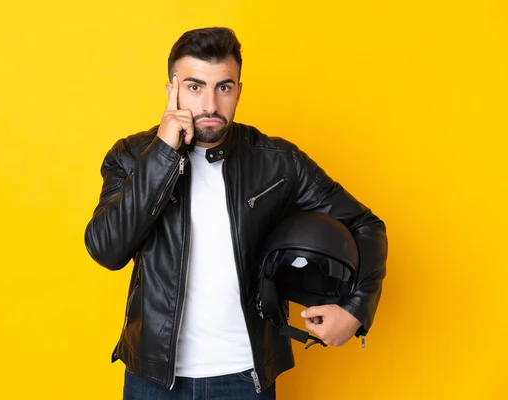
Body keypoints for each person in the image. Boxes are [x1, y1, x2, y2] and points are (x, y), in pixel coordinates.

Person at [84, 27, 388, 400]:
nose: (210, 105)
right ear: (172, 91)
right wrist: (163, 152)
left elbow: (364, 224)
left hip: (246, 378)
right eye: (195, 87)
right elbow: (106, 249)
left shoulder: (277, 161)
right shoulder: (132, 156)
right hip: (154, 379)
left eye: (223, 87)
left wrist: (356, 310)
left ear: (239, 90)